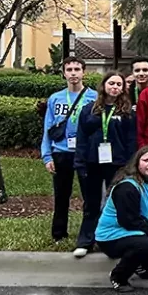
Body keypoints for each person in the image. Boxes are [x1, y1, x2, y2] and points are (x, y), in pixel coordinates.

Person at [96, 147, 148, 292]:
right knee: (146, 245)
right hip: (112, 236)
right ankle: (118, 277)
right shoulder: (127, 187)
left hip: (136, 230)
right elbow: (129, 221)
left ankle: (139, 265)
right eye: (146, 160)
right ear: (137, 164)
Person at [74, 71, 138, 258]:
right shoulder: (89, 109)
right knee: (92, 203)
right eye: (112, 83)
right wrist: (80, 162)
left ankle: (115, 240)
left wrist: (130, 165)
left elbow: (131, 140)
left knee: (117, 202)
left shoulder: (127, 111)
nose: (115, 87)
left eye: (119, 84)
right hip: (93, 162)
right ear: (104, 85)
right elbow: (81, 137)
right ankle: (86, 241)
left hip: (118, 164)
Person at [42, 57, 98, 249]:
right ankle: (59, 232)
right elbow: (47, 127)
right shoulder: (55, 98)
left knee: (90, 196)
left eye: (77, 69)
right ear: (64, 73)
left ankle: (90, 233)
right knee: (61, 194)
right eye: (69, 69)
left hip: (85, 153)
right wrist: (47, 155)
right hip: (61, 152)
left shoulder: (94, 97)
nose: (73, 73)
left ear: (84, 72)